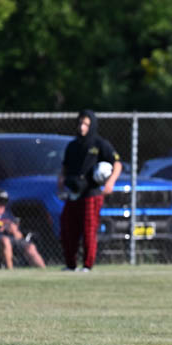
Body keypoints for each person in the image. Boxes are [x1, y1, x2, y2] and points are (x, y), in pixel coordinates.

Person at [58, 110, 121, 272]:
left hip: (91, 194)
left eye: (86, 124)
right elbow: (64, 168)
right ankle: (70, 265)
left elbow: (117, 164)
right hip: (73, 194)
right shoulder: (72, 145)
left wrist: (110, 183)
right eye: (80, 123)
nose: (82, 127)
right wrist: (61, 183)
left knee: (89, 230)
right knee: (68, 230)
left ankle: (87, 265)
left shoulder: (99, 144)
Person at [0, 189, 46, 269]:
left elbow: (19, 236)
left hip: (13, 240)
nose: (2, 205)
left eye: (4, 203)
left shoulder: (9, 215)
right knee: (5, 240)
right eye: (0, 202)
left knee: (30, 247)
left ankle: (43, 271)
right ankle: (10, 270)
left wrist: (14, 231)